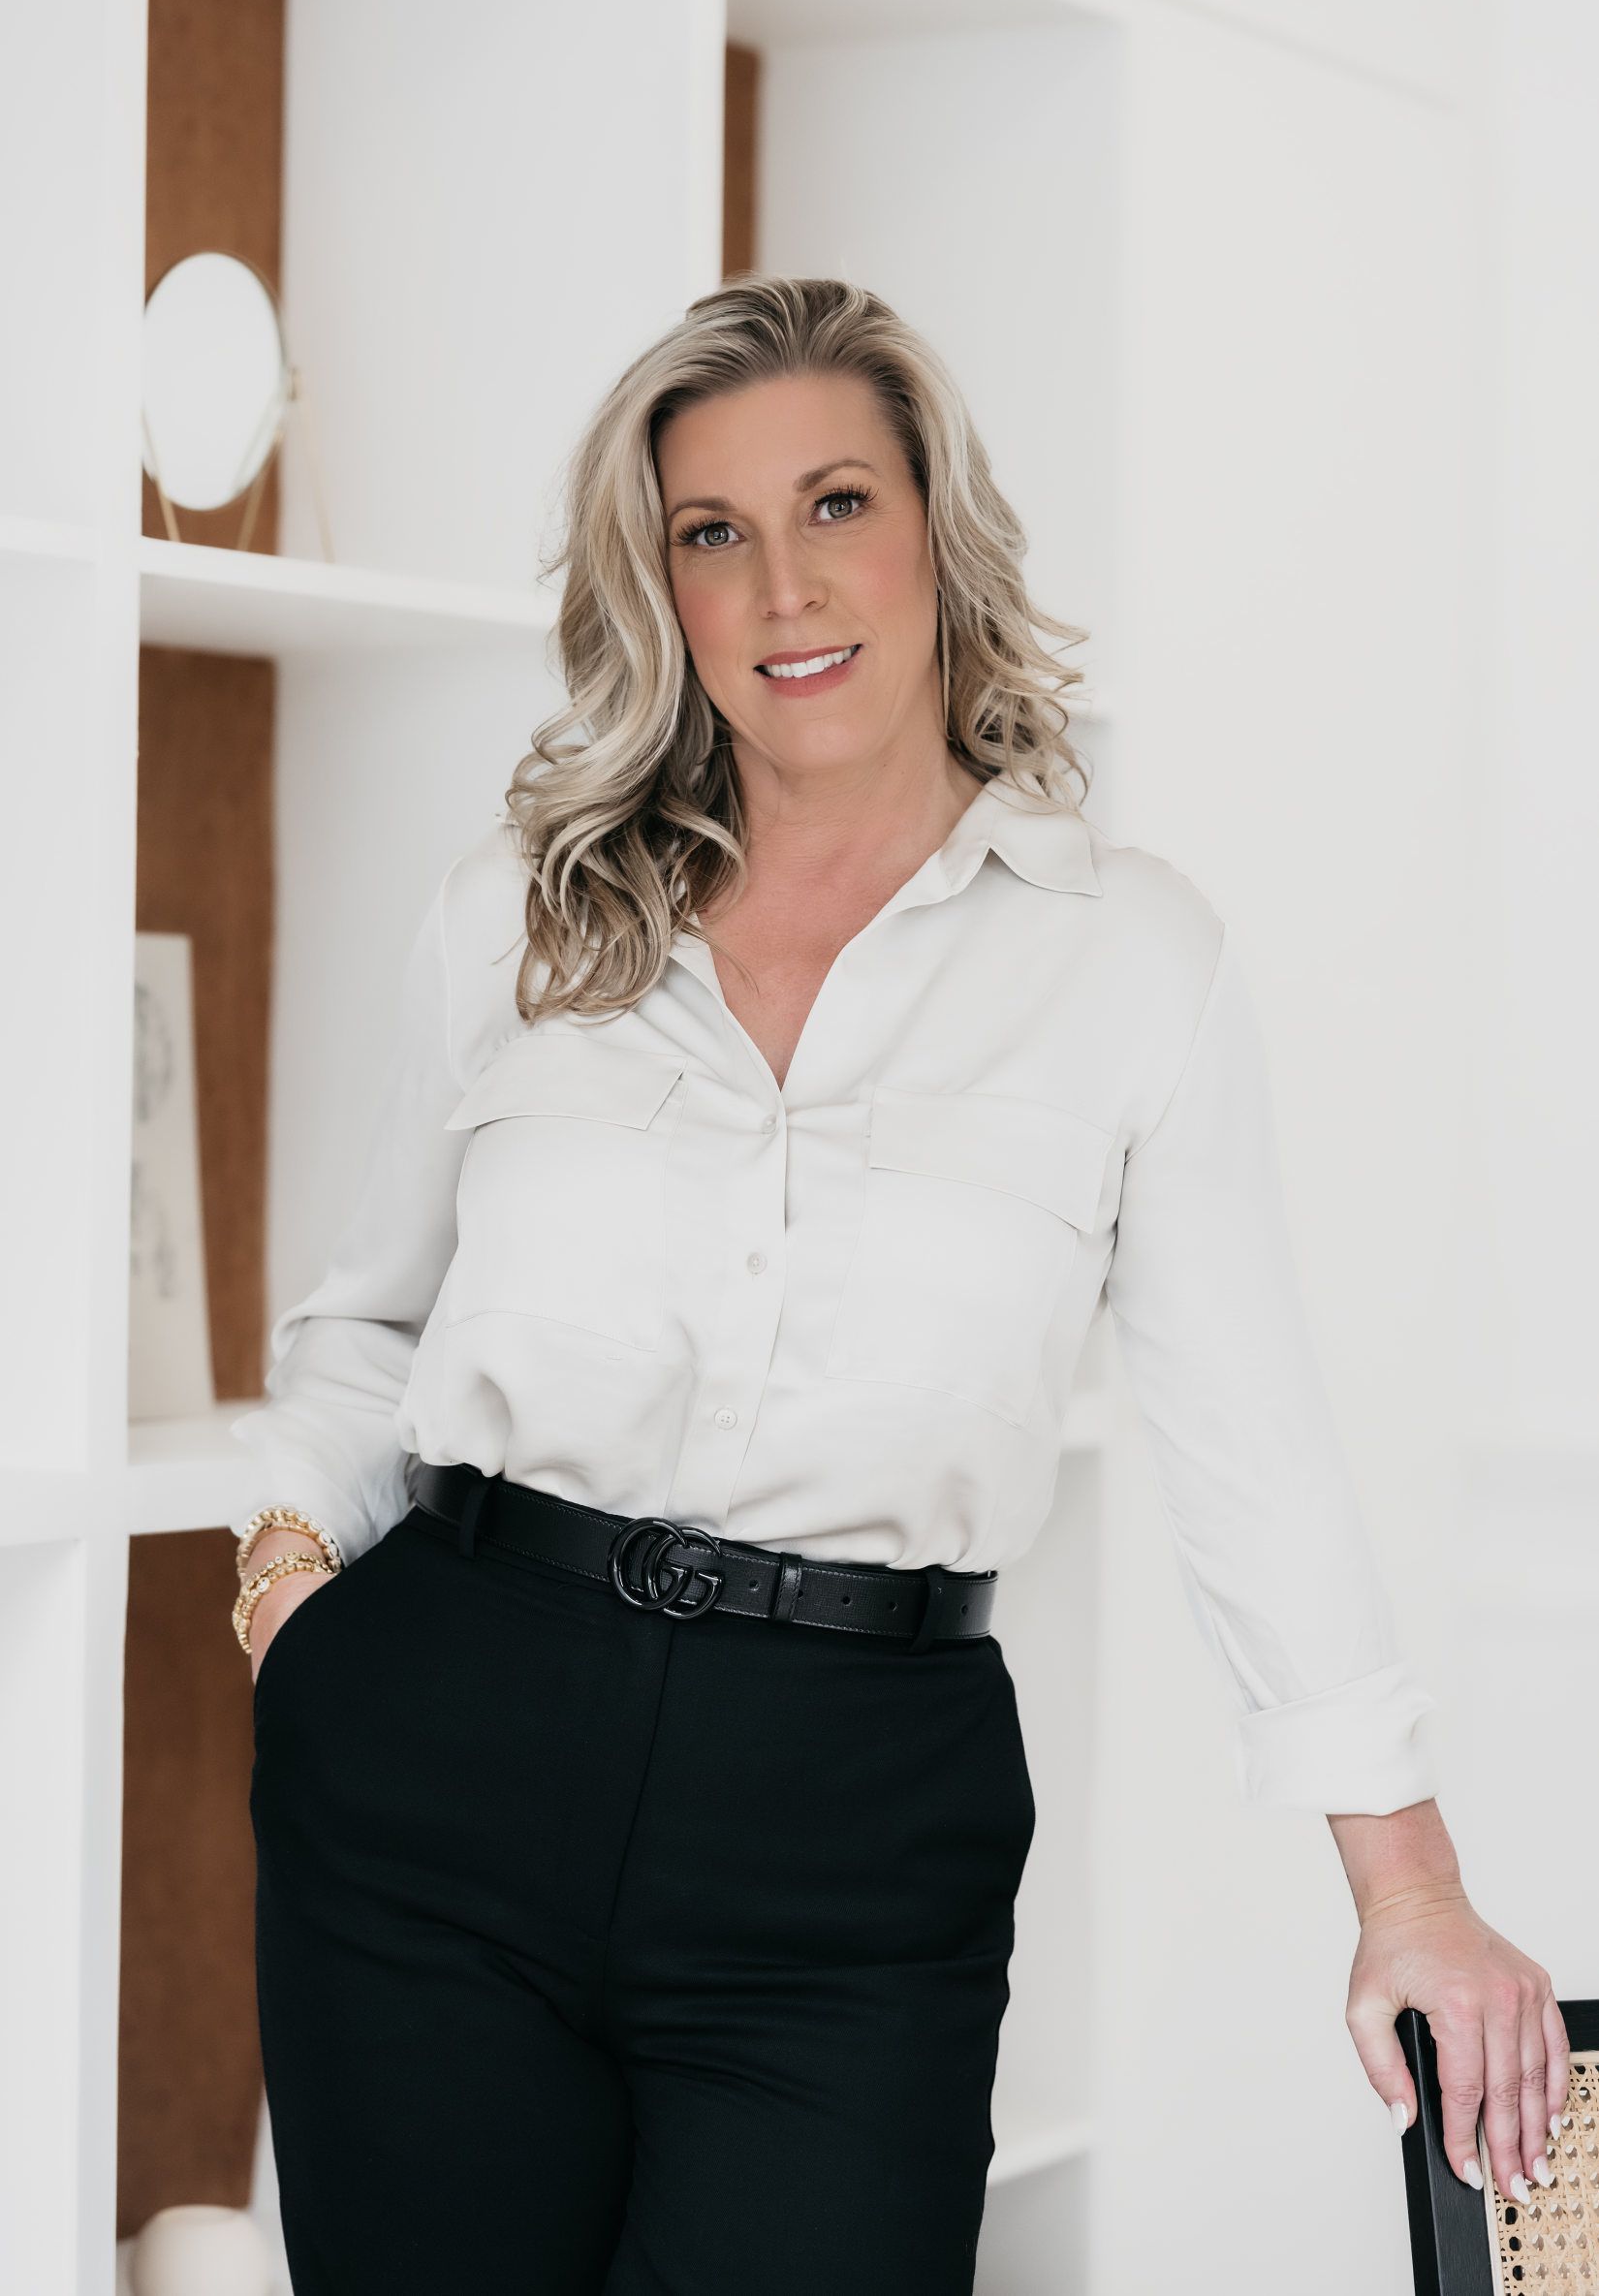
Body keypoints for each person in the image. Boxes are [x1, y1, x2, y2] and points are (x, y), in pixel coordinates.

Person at [229, 274, 1566, 2295]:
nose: (784, 582)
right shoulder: (517, 913)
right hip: (440, 1757)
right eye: (713, 531)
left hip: (850, 1816)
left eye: (836, 501)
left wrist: (1417, 1888)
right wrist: (291, 1598)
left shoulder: (1129, 957)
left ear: (937, 525)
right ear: (658, 584)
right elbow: (365, 1321)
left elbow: (1251, 1445)